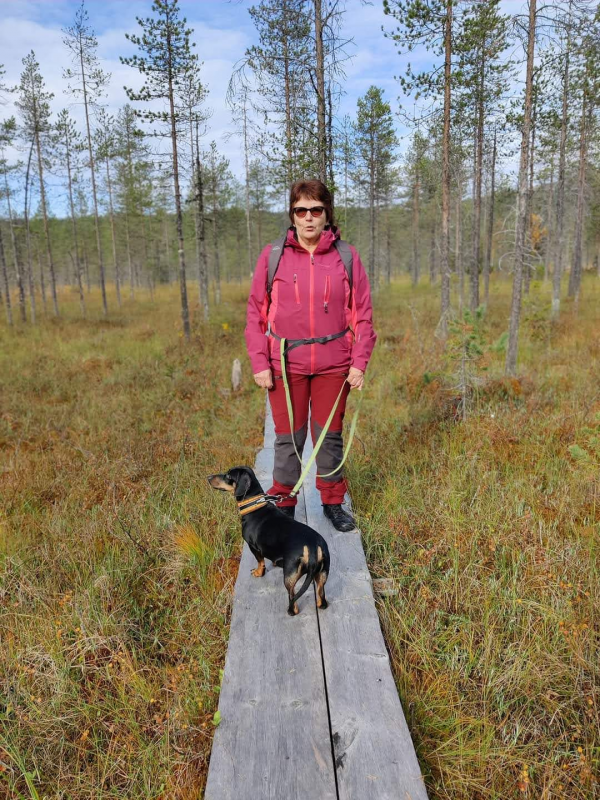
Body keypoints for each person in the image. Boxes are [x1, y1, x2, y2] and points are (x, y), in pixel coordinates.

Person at [245, 180, 377, 532]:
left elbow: (363, 314)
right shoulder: (274, 255)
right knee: (288, 438)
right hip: (285, 365)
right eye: (300, 210)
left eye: (315, 210)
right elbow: (255, 313)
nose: (308, 217)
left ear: (326, 214)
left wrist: (359, 362)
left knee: (329, 436)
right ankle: (284, 503)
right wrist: (260, 362)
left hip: (334, 365)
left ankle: (332, 502)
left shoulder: (346, 256)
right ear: (292, 215)